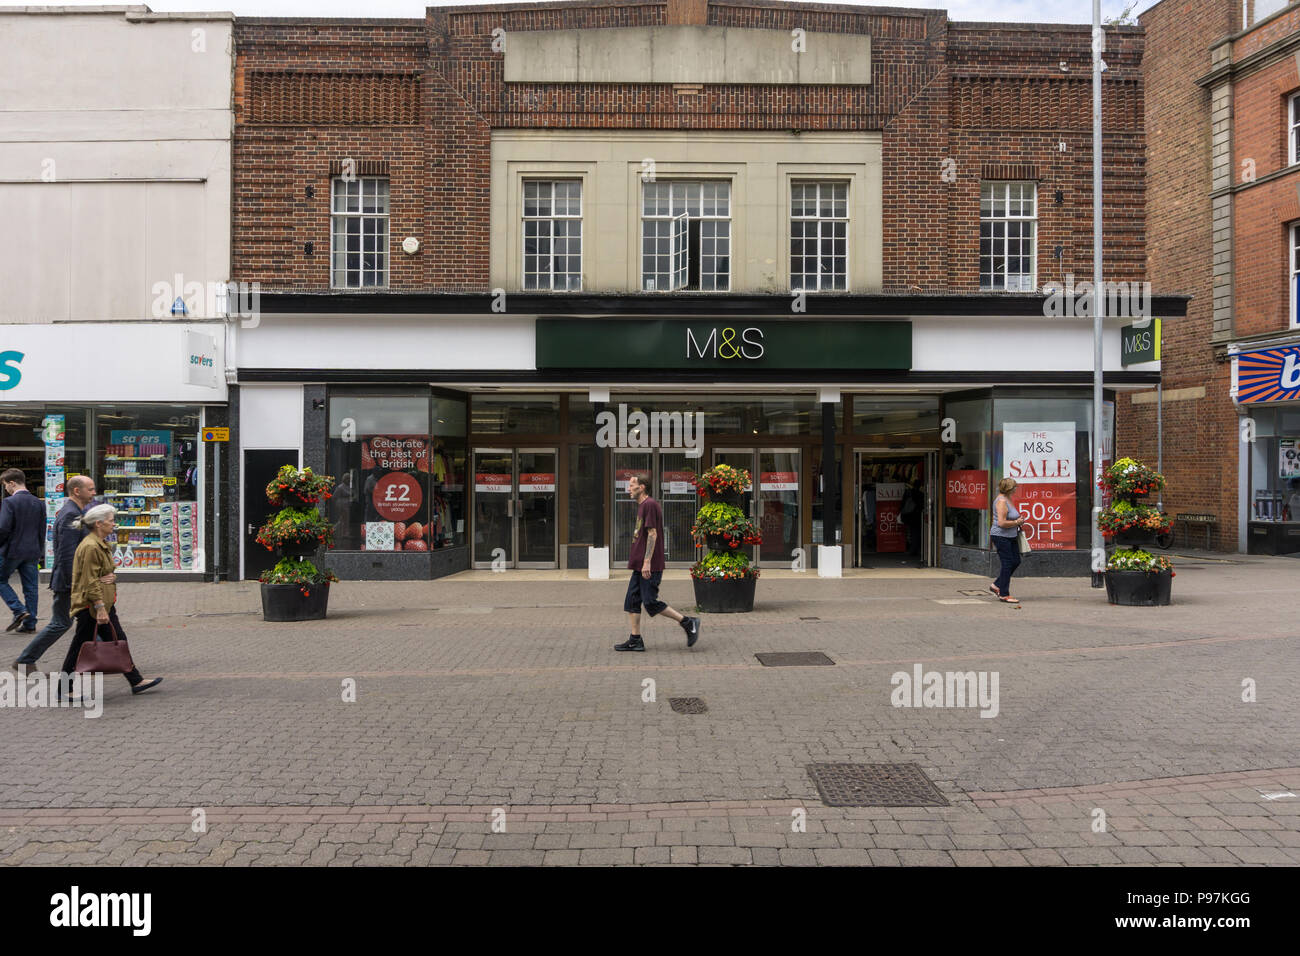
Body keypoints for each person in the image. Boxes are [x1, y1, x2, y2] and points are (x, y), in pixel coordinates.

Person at [58, 504, 162, 699]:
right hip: (92, 606)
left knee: (118, 640)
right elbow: (89, 580)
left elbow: (100, 573)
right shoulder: (90, 546)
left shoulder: (99, 543)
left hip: (104, 604)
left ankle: (136, 680)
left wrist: (110, 577)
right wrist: (99, 607)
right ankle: (64, 689)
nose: (114, 524)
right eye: (111, 520)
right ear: (99, 523)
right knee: (80, 647)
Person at [14, 476, 108, 675]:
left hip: (74, 581)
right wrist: (75, 583)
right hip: (69, 583)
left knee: (89, 621)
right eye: (90, 489)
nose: (93, 493)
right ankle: (25, 660)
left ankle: (98, 660)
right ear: (76, 491)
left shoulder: (77, 512)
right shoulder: (70, 515)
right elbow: (67, 554)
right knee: (62, 623)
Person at [614, 473, 701, 652]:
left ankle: (688, 622)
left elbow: (652, 534)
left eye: (632, 485)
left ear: (642, 487)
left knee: (650, 602)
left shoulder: (650, 505)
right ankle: (635, 639)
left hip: (649, 565)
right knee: (632, 600)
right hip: (640, 565)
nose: (628, 489)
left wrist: (647, 562)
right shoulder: (642, 506)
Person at [0, 468, 46, 633]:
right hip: (32, 551)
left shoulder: (9, 502)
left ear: (12, 483)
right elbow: (42, 530)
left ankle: (18, 610)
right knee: (31, 588)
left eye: (6, 485)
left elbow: (3, 528)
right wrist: (39, 550)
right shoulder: (39, 503)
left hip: (12, 551)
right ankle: (30, 623)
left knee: (0, 580)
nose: (6, 489)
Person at [989, 477, 1027, 604]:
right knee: (1007, 563)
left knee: (1015, 561)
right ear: (1009, 488)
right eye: (1014, 487)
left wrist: (1018, 519)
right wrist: (1017, 522)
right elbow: (1001, 523)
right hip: (1001, 536)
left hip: (1010, 536)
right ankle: (1004, 594)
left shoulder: (1008, 499)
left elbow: (1010, 516)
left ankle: (997, 585)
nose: (1016, 489)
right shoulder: (1001, 501)